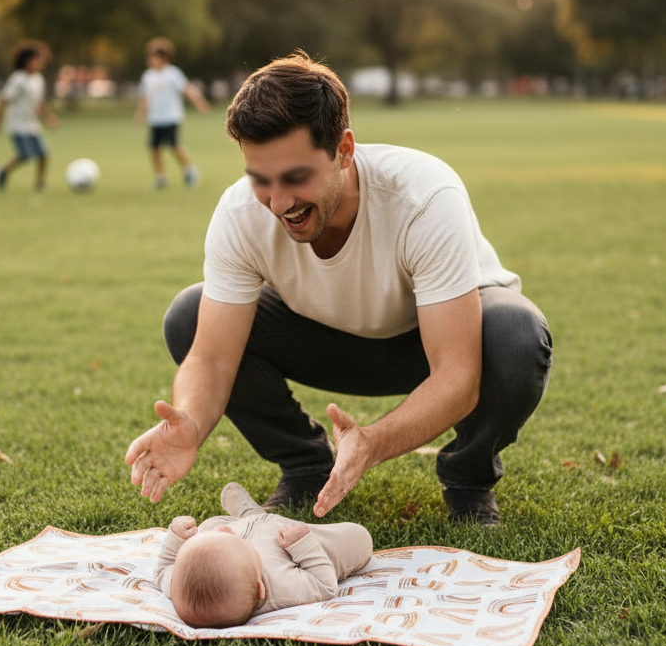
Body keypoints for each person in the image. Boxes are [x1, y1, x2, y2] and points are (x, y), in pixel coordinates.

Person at [126, 53, 553, 526]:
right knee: (189, 314)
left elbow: (457, 373)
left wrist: (370, 443)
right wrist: (192, 420)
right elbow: (211, 356)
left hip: (432, 342)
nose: (280, 201)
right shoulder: (238, 215)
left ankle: (468, 477)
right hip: (322, 339)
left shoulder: (424, 197)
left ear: (344, 149)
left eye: (296, 176)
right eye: (260, 179)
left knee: (516, 332)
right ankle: (307, 464)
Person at [155, 482, 372, 628]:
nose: (224, 532)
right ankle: (253, 515)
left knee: (209, 525)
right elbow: (324, 586)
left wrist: (176, 538)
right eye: (236, 542)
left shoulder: (177, 584)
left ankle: (251, 515)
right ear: (260, 588)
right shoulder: (282, 589)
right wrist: (304, 545)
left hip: (247, 526)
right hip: (294, 536)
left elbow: (163, 568)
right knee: (360, 537)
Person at [135, 37, 209, 189]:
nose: (151, 60)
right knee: (154, 148)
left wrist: (200, 102)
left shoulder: (173, 74)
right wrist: (140, 113)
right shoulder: (148, 76)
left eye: (154, 57)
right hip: (155, 118)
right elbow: (144, 97)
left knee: (174, 146)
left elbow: (187, 89)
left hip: (171, 117)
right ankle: (160, 176)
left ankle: (189, 170)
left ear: (163, 58)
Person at [0, 41, 59, 191]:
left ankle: (40, 184)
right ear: (26, 61)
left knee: (44, 153)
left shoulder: (38, 79)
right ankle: (2, 171)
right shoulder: (18, 79)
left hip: (32, 124)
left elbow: (39, 103)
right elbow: (4, 100)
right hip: (18, 124)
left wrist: (48, 118)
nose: (40, 63)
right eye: (37, 59)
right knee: (25, 155)